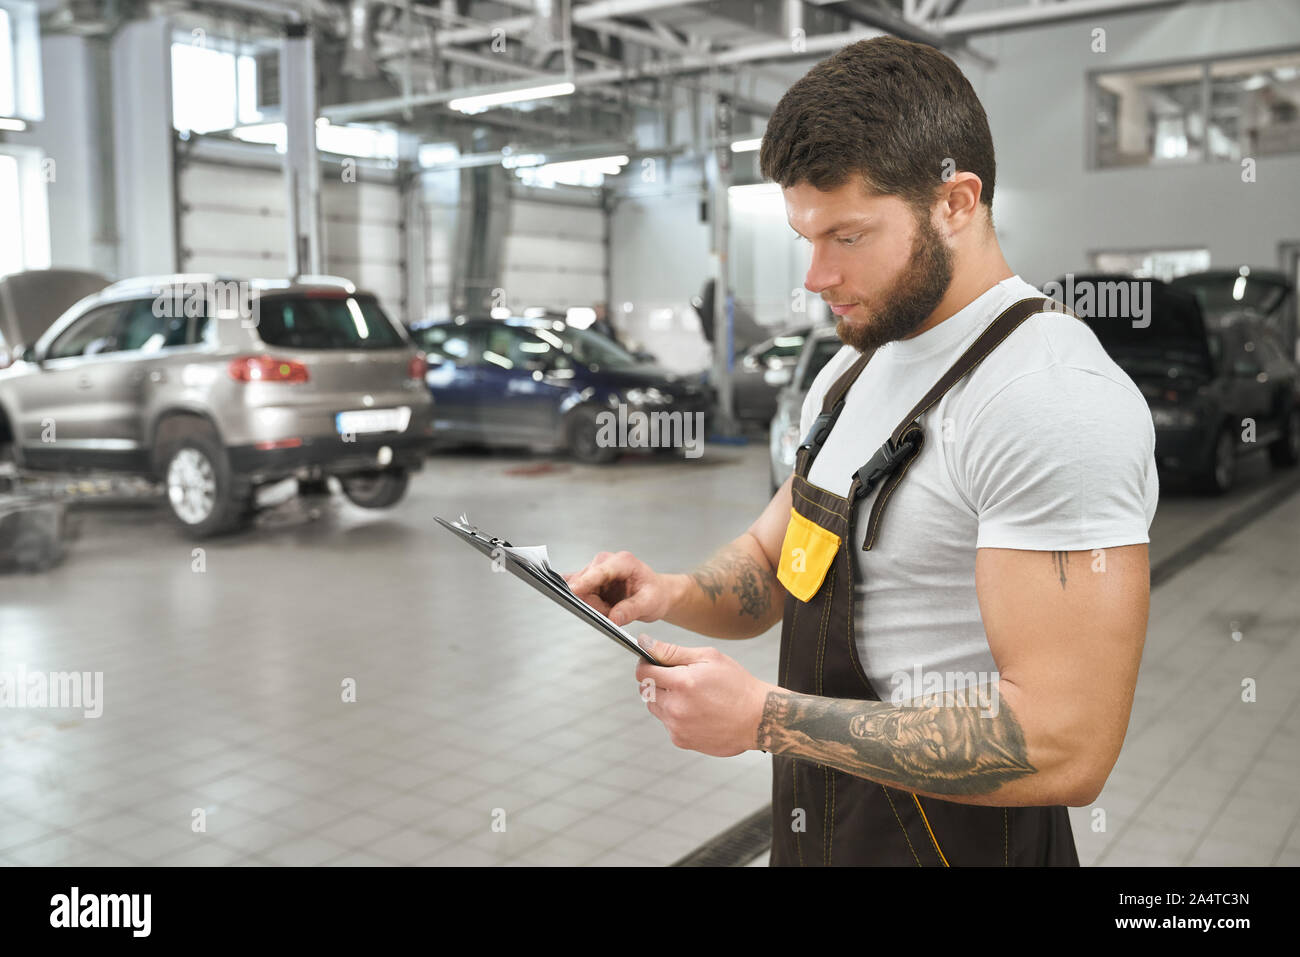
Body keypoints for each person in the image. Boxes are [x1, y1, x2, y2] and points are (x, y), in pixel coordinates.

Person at [565, 35, 1157, 866]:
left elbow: (1068, 742)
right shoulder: (854, 368)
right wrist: (664, 592)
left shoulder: (1049, 398)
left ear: (957, 201)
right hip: (831, 830)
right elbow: (777, 563)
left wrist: (768, 718)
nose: (814, 276)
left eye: (846, 236)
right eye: (806, 236)